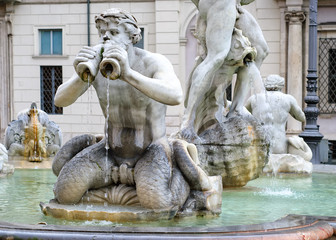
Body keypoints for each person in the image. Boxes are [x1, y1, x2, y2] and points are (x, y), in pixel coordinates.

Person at [53, 8, 199, 210]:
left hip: (151, 149)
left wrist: (128, 73)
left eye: (113, 33)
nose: (105, 38)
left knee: (157, 203)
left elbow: (175, 95)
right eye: (102, 33)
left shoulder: (152, 62)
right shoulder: (97, 62)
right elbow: (60, 100)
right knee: (65, 192)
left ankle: (181, 177)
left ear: (133, 37)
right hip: (110, 152)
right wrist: (82, 76)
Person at [180, 0, 267, 141]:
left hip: (235, 3)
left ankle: (236, 109)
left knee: (260, 49)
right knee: (217, 56)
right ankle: (187, 120)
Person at [245, 74, 306, 154]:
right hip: (279, 145)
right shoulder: (288, 99)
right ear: (281, 85)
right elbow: (302, 118)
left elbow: (241, 114)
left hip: (258, 145)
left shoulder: (254, 98)